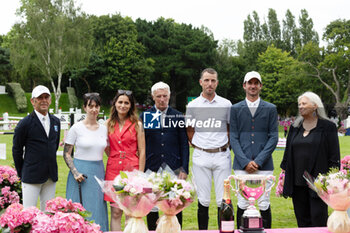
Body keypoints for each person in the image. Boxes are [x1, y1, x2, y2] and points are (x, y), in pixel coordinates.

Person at [280, 91, 340, 227]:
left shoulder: (328, 127)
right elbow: (288, 153)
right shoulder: (294, 127)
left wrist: (330, 180)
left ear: (315, 106)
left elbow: (334, 157)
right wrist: (284, 174)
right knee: (302, 221)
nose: (300, 106)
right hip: (297, 182)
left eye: (304, 104)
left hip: (318, 183)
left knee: (318, 219)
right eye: (299, 104)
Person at [230, 71, 278, 229]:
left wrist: (258, 161)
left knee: (264, 203)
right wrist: (245, 162)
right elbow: (234, 137)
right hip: (241, 165)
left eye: (256, 83)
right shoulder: (236, 108)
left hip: (263, 165)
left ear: (260, 86)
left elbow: (273, 137)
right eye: (250, 83)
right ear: (244, 86)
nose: (253, 86)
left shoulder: (270, 108)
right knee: (242, 203)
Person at [186, 68, 232, 230]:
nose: (209, 84)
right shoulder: (192, 105)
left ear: (217, 83)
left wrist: (221, 144)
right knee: (203, 201)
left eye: (213, 80)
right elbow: (190, 131)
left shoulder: (226, 104)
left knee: (224, 200)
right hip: (201, 155)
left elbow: (229, 127)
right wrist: (202, 145)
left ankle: (224, 230)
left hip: (222, 156)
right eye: (206, 80)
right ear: (201, 82)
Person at [140, 82, 189, 230]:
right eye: (159, 96)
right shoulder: (146, 116)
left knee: (174, 204)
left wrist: (184, 168)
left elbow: (184, 144)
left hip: (173, 167)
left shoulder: (177, 116)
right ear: (153, 97)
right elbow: (142, 144)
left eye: (165, 96)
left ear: (169, 96)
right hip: (152, 166)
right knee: (152, 204)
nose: (162, 99)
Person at [63, 93, 108, 232]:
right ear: (84, 107)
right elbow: (66, 153)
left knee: (97, 208)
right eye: (90, 106)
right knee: (78, 210)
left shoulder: (104, 128)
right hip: (80, 172)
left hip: (98, 172)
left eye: (96, 106)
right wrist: (75, 172)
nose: (94, 109)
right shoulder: (76, 128)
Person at [12, 85, 61, 211]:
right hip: (31, 176)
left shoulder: (56, 121)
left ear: (50, 100)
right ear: (33, 101)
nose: (44, 100)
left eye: (46, 97)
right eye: (40, 98)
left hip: (50, 176)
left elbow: (53, 145)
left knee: (48, 214)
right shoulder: (24, 123)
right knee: (29, 214)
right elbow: (17, 150)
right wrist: (22, 172)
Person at [104, 90, 146, 231]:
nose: (123, 105)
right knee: (116, 212)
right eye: (120, 102)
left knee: (130, 212)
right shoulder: (108, 124)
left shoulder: (137, 124)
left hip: (131, 171)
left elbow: (142, 151)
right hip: (113, 170)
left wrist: (140, 175)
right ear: (115, 104)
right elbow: (105, 147)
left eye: (126, 103)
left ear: (131, 106)